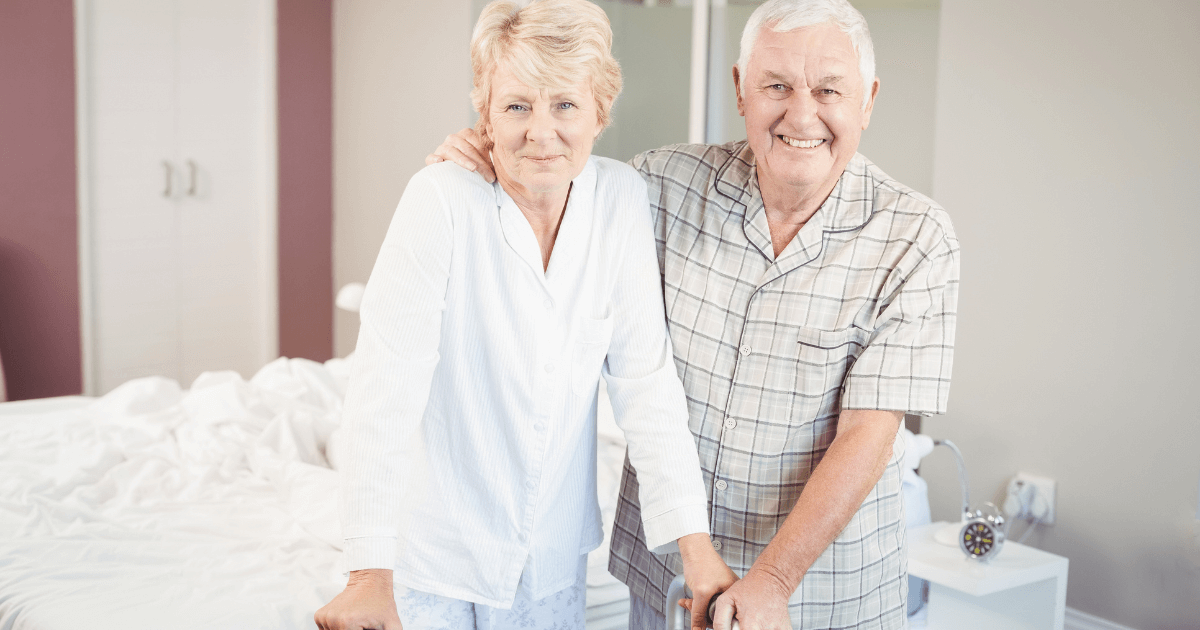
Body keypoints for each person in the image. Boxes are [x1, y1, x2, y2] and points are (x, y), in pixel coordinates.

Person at [428, 0, 960, 628]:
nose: (802, 112)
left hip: (824, 591)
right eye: (776, 86)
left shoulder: (916, 237)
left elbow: (867, 435)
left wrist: (772, 581)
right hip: (668, 577)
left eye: (828, 90)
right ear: (741, 90)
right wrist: (491, 155)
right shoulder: (659, 185)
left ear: (867, 100)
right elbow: (553, 174)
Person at [315, 1, 737, 629]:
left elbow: (645, 384)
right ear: (484, 112)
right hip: (433, 561)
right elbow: (385, 387)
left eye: (564, 104)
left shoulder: (620, 199)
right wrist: (367, 574)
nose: (542, 131)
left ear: (600, 111)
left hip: (551, 559)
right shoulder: (440, 201)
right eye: (517, 106)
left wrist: (695, 549)